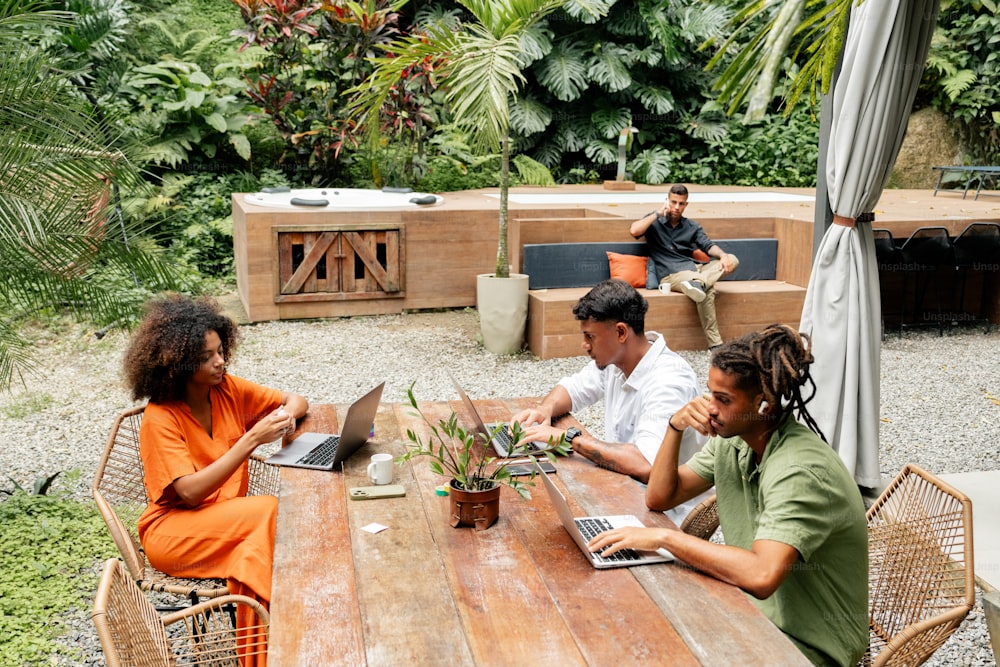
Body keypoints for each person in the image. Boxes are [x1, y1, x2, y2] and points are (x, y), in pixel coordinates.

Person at [587, 324, 868, 666]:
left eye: (723, 399)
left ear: (763, 405)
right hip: (751, 614)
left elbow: (762, 575)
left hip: (808, 647)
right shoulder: (735, 441)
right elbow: (660, 497)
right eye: (710, 395)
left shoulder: (799, 470)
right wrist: (675, 427)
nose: (709, 409)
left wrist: (664, 538)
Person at [123, 294, 308, 667]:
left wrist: (285, 417)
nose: (220, 361)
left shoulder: (227, 389)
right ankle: (278, 637)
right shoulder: (161, 418)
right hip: (175, 531)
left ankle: (266, 652)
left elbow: (296, 399)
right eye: (206, 357)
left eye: (221, 350)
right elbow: (189, 493)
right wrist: (252, 438)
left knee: (252, 549)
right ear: (176, 364)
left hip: (230, 519)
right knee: (270, 511)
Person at [511, 279, 706, 522]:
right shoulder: (617, 361)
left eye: (590, 336)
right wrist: (544, 410)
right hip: (619, 488)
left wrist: (567, 439)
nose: (584, 345)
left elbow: (646, 464)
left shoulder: (668, 381)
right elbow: (574, 388)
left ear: (621, 332)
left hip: (662, 515)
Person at [630, 183, 739, 350]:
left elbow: (708, 246)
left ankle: (699, 284)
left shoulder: (692, 226)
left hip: (695, 269)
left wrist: (724, 256)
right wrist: (658, 213)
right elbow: (634, 231)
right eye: (673, 202)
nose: (676, 207)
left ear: (686, 205)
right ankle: (715, 344)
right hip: (671, 275)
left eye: (681, 204)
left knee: (732, 258)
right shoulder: (655, 221)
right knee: (707, 290)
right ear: (667, 201)